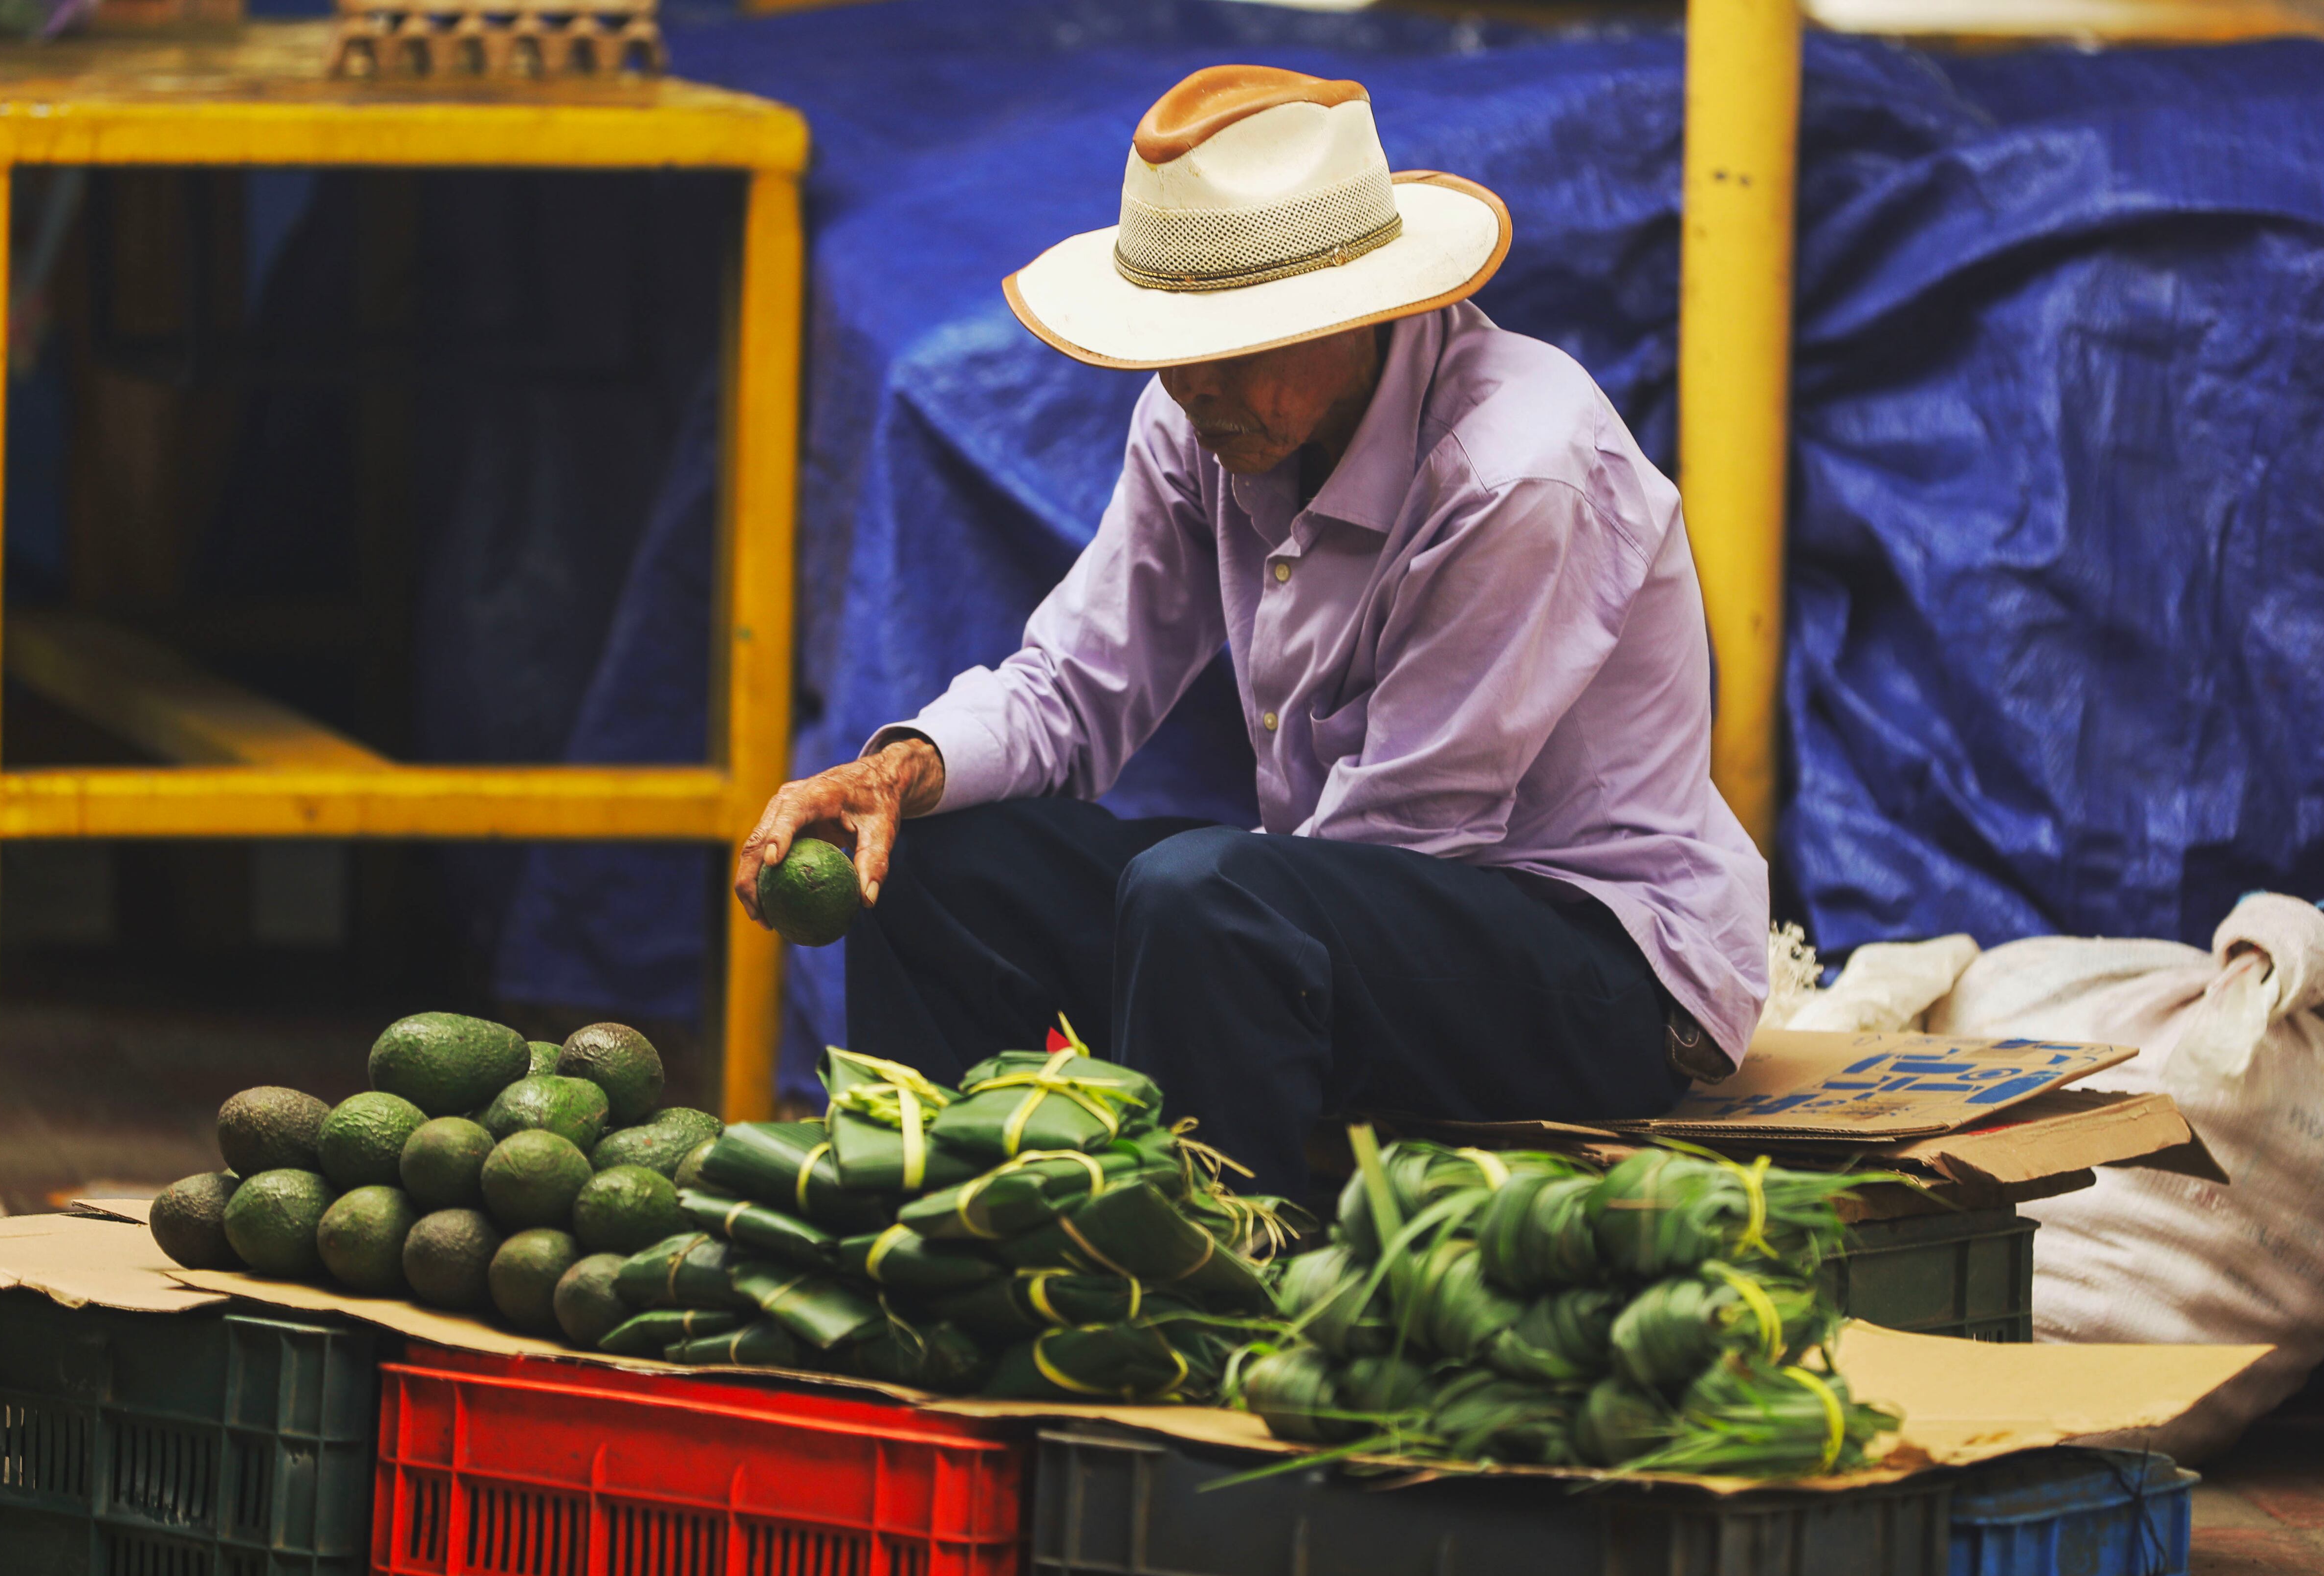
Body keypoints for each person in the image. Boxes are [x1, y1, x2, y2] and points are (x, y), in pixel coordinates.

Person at [737, 64, 1768, 1198]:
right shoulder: (1202, 423)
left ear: (1362, 313)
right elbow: (1074, 686)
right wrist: (902, 770)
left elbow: (1415, 827)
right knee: (932, 864)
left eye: (1245, 347)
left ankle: (1215, 1289)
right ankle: (941, 1234)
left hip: (1598, 972)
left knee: (1205, 898)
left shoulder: (1519, 470)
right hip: (1330, 899)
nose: (1197, 388)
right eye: (1178, 348)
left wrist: (1182, 979)